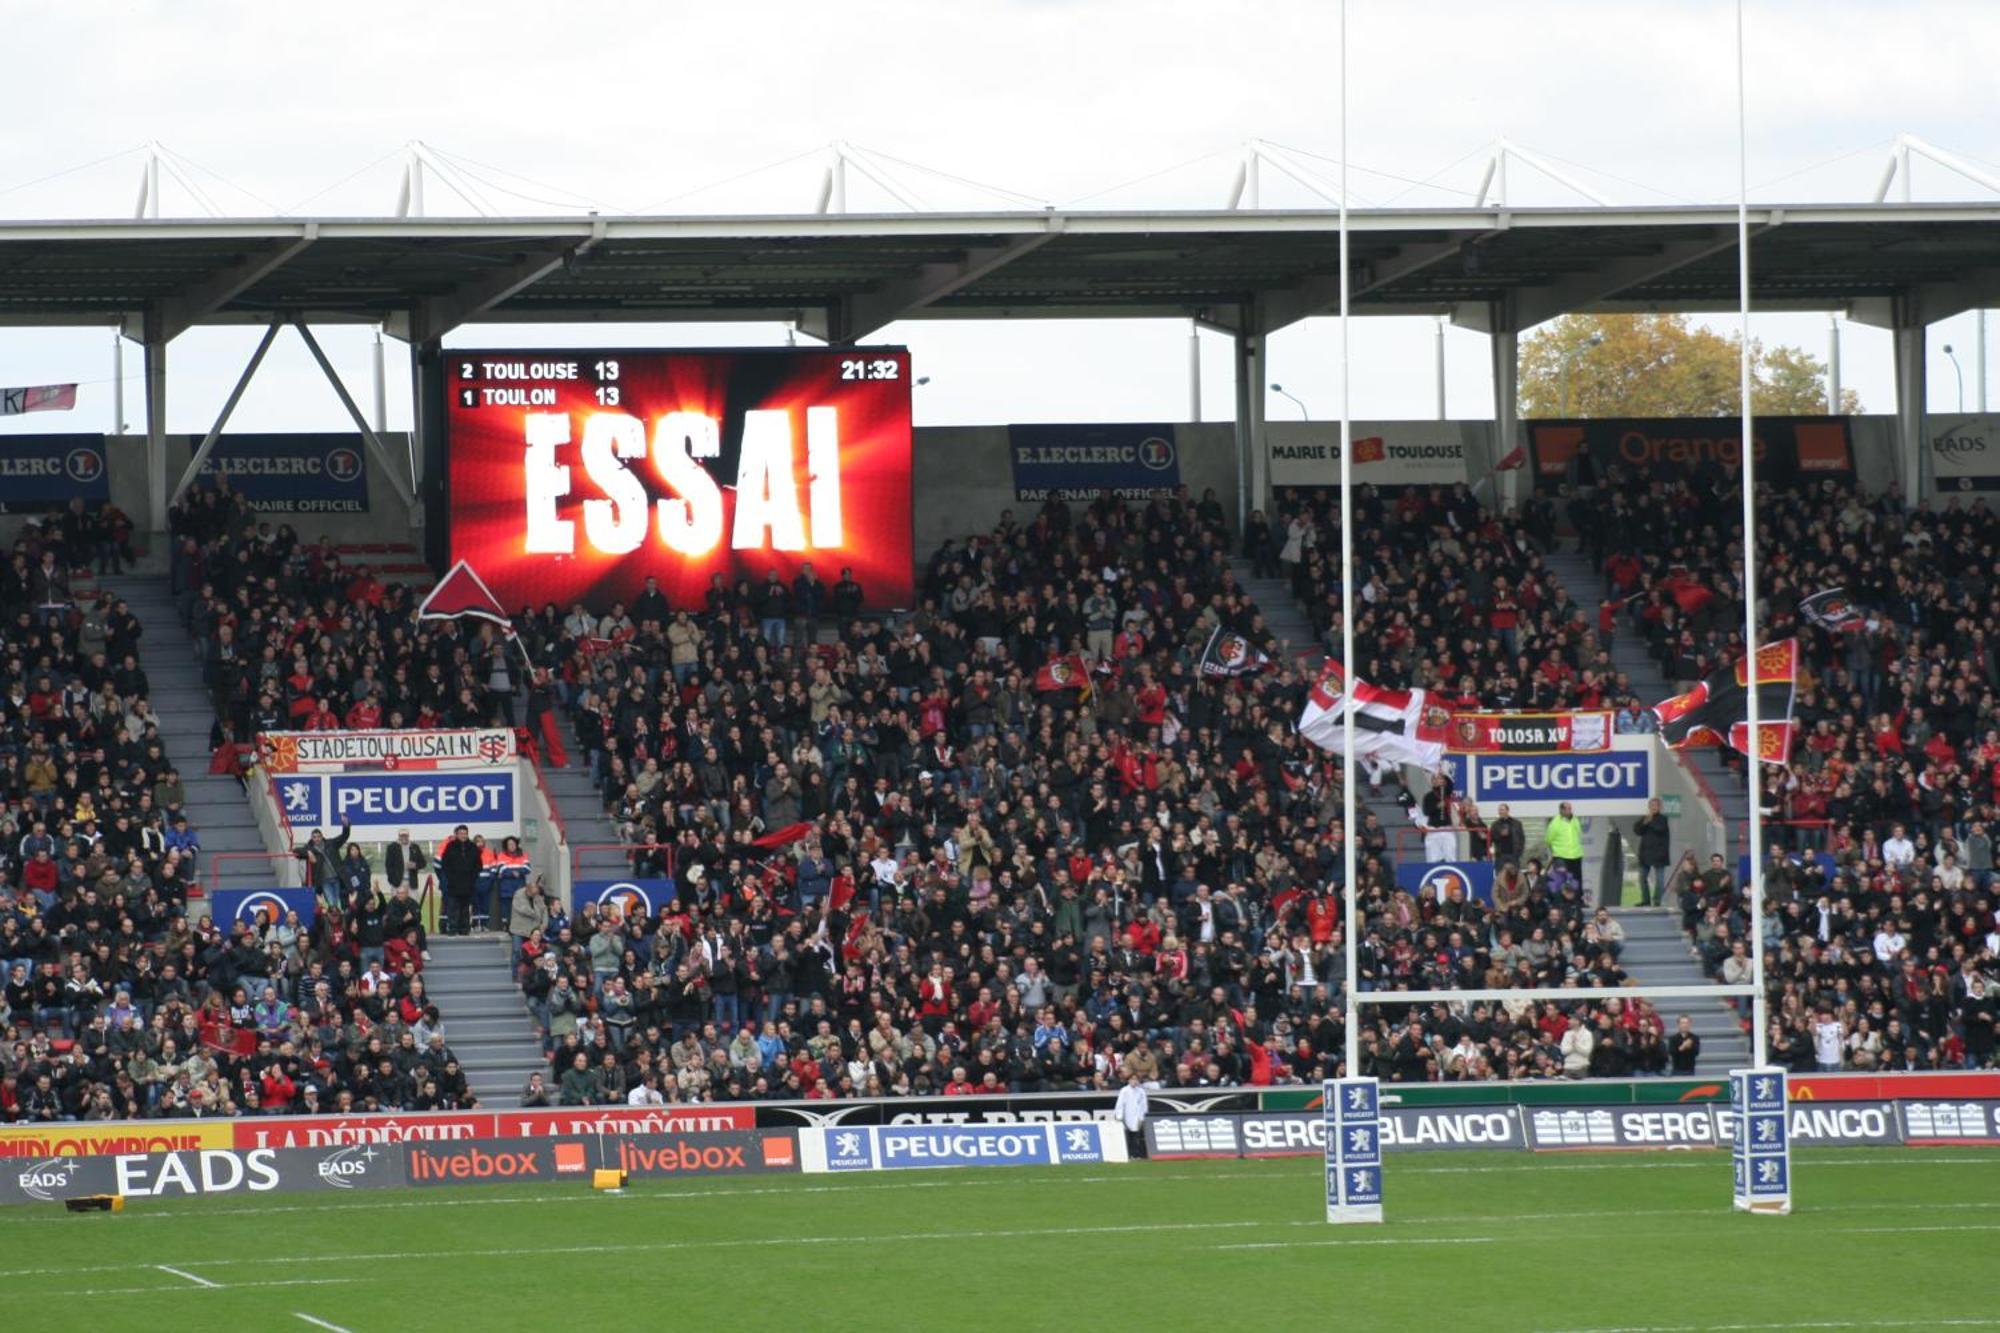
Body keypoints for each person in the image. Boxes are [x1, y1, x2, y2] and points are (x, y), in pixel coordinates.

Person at [438, 824, 484, 937]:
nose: (463, 835)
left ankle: (464, 929)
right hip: (454, 883)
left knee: (465, 908)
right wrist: (450, 877)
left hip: (468, 883)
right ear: (457, 834)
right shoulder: (450, 846)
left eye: (465, 833)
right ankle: (453, 928)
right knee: (453, 907)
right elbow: (445, 863)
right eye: (461, 833)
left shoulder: (473, 847)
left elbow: (478, 865)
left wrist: (473, 877)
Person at [1632, 798, 1670, 907]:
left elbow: (1660, 829)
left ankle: (1657, 900)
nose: (1653, 807)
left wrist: (1650, 820)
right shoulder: (1645, 819)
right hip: (1645, 854)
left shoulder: (1663, 819)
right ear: (1649, 807)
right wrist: (1645, 822)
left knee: (1659, 880)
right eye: (1651, 805)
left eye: (1655, 805)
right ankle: (1645, 900)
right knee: (1642, 878)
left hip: (1659, 854)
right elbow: (1637, 831)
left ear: (1659, 807)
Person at [1546, 800, 1584, 888]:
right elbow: (1548, 839)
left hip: (1576, 855)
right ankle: (1561, 900)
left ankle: (1578, 900)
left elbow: (1578, 833)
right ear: (1561, 810)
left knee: (1576, 880)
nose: (1570, 810)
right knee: (1561, 879)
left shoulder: (1575, 820)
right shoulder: (1555, 823)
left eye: (1570, 808)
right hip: (1561, 855)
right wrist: (1556, 851)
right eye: (1568, 809)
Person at [1113, 1072, 1149, 1159]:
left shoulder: (1141, 1091)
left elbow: (1143, 1105)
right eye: (1132, 1079)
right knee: (1128, 1136)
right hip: (1126, 1116)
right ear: (1128, 1080)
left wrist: (1142, 1117)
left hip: (1137, 1116)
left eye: (1136, 1079)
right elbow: (1120, 1104)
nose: (1134, 1081)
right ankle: (1128, 1154)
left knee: (1136, 1137)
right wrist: (1119, 1116)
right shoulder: (1124, 1091)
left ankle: (1136, 1154)